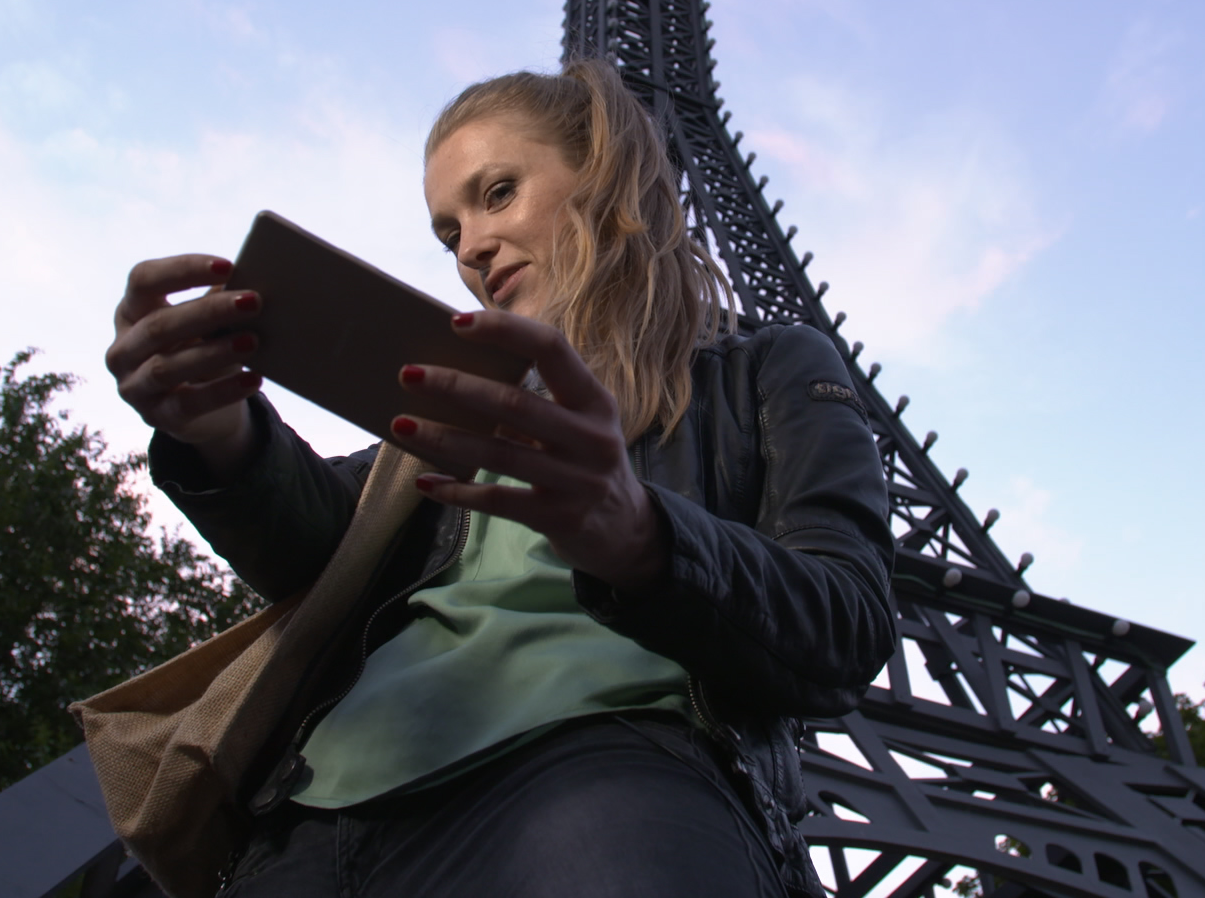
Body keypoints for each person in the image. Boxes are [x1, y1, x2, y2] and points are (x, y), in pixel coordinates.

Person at [105, 60, 896, 898]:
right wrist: (219, 432)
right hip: (318, 818)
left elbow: (846, 619)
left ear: (603, 176)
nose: (473, 247)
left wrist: (643, 536)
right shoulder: (454, 412)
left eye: (498, 193)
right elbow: (314, 543)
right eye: (448, 234)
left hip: (600, 776)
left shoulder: (763, 367)